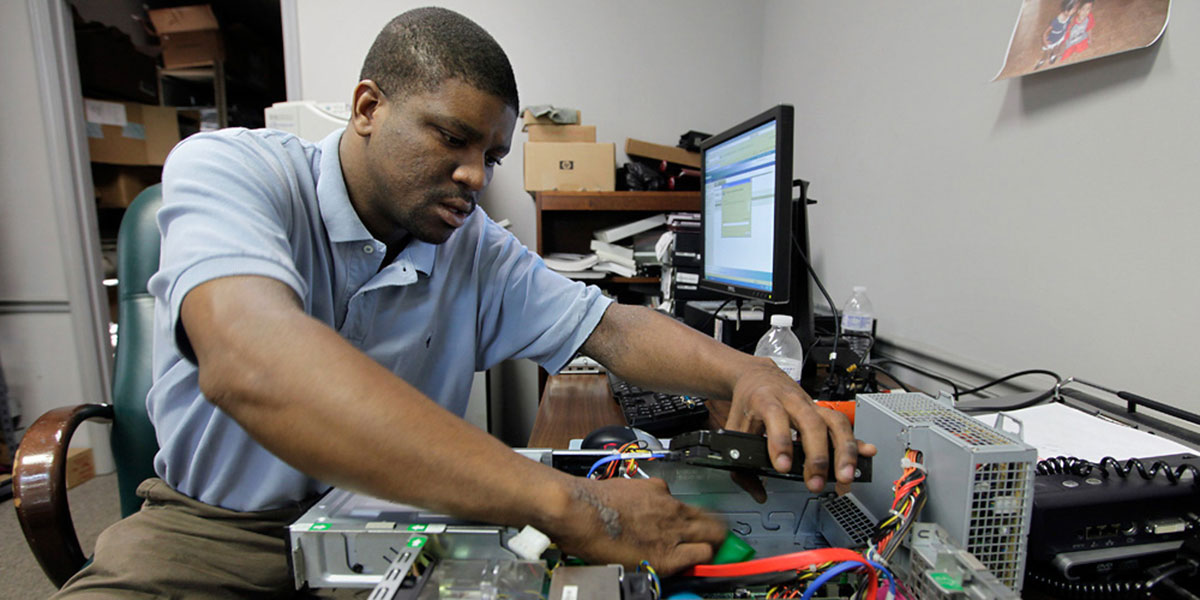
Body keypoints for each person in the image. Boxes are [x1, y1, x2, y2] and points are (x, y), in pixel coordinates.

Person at [54, 7, 873, 598]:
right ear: (368, 107)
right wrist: (574, 503)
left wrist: (747, 375)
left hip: (414, 521)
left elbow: (612, 327)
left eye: (492, 154)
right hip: (217, 534)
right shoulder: (233, 171)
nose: (477, 177)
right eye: (452, 139)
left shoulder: (469, 242)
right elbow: (254, 365)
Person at [1035, 0, 1075, 70]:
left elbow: (1070, 22)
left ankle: (1053, 55)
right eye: (1073, 9)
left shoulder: (1069, 16)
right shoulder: (1056, 21)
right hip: (1052, 39)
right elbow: (1045, 32)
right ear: (1066, 11)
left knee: (1057, 47)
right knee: (1047, 52)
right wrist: (1045, 40)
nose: (1074, 11)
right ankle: (1043, 60)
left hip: (1060, 36)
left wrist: (1070, 28)